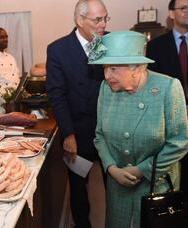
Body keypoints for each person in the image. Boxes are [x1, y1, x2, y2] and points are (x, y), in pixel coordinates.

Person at [90, 31, 188, 228]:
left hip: (156, 184)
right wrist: (111, 168)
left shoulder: (168, 87)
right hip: (117, 184)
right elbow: (99, 135)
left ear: (136, 67)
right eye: (104, 68)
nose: (107, 76)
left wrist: (141, 170)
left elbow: (179, 142)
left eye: (113, 69)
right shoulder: (106, 89)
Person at [146, 0, 188, 218]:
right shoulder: (157, 45)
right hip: (166, 124)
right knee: (167, 178)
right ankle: (168, 220)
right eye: (183, 8)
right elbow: (154, 87)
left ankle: (184, 221)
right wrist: (177, 113)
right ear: (171, 13)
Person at [46, 0, 109, 227]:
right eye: (97, 19)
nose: (103, 24)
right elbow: (57, 94)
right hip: (78, 132)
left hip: (108, 132)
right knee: (78, 188)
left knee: (113, 185)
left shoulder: (108, 43)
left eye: (105, 18)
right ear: (80, 20)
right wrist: (68, 134)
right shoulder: (58, 49)